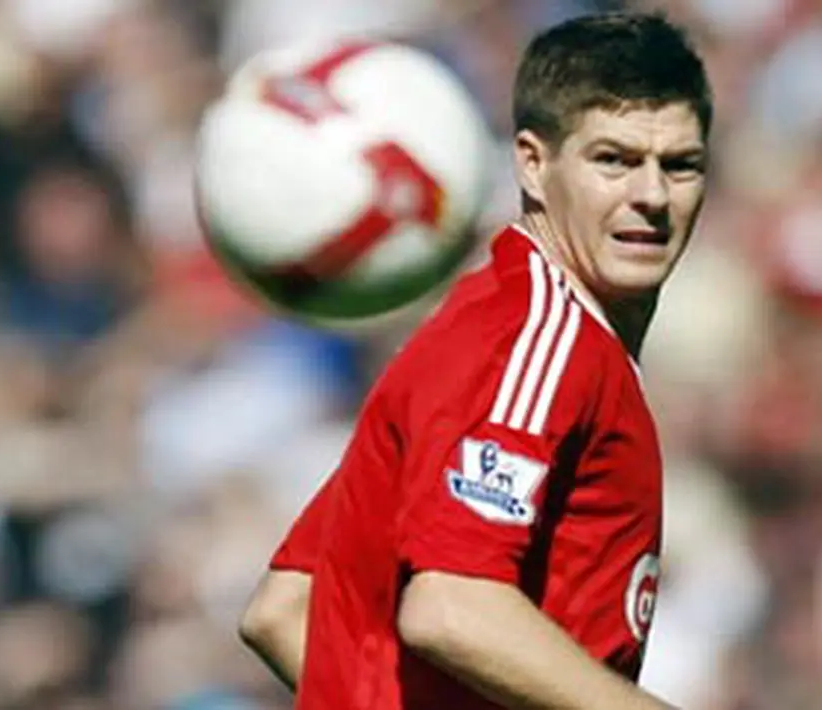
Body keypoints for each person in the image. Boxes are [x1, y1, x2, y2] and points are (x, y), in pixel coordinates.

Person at [238, 11, 712, 710]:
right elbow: (451, 605)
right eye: (612, 159)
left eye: (680, 166)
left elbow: (286, 607)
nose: (650, 196)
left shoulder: (479, 323)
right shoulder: (543, 340)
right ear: (531, 161)